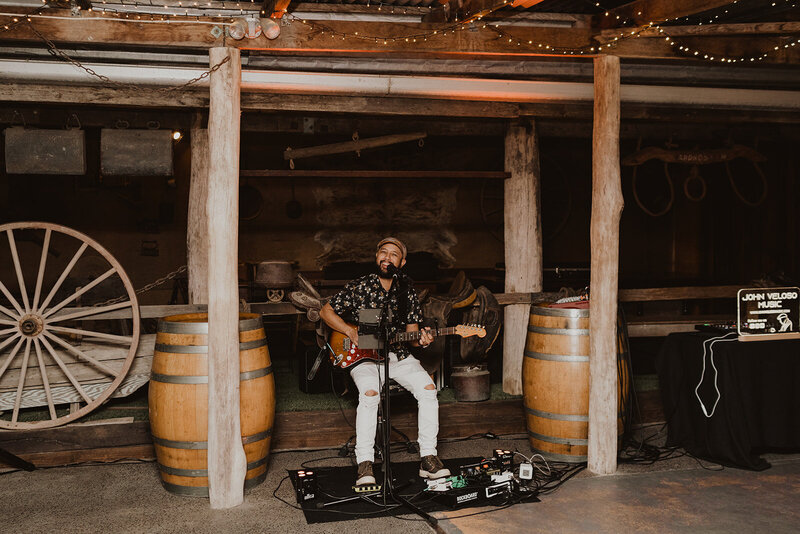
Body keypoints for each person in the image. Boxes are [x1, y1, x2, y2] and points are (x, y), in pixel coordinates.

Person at [319, 237, 451, 486]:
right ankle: (365, 463)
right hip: (364, 356)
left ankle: (428, 458)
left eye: (393, 255)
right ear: (376, 256)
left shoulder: (407, 291)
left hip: (397, 355)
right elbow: (326, 311)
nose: (387, 258)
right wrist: (350, 331)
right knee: (370, 395)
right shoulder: (361, 286)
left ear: (402, 262)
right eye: (383, 252)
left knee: (429, 390)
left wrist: (421, 340)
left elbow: (412, 334)